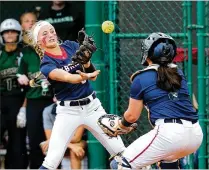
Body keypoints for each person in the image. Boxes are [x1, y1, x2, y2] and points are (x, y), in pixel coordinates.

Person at [24, 20, 126, 169]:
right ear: (39, 42)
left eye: (52, 31)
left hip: (93, 107)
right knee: (52, 161)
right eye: (44, 33)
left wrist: (86, 63)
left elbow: (93, 74)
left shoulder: (71, 46)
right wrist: (82, 76)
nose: (51, 34)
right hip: (68, 112)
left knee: (121, 152)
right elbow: (68, 77)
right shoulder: (46, 64)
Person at [109, 32, 203, 169]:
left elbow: (131, 116)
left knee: (119, 165)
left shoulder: (140, 78)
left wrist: (120, 125)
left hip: (170, 134)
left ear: (147, 54)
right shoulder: (179, 74)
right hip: (195, 134)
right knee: (167, 162)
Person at [17, 12, 54, 169]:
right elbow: (20, 73)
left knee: (53, 140)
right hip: (33, 101)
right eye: (27, 22)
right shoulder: (26, 54)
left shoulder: (52, 50)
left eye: (34, 22)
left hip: (51, 100)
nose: (31, 24)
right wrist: (20, 77)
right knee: (34, 139)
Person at [0, 18, 28, 169]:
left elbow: (31, 85)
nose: (10, 35)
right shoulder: (0, 55)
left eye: (13, 32)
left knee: (17, 143)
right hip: (2, 100)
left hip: (18, 101)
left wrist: (23, 109)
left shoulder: (24, 54)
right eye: (6, 32)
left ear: (18, 34)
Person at [40, 101, 87, 169]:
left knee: (75, 151)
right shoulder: (48, 110)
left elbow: (77, 138)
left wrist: (54, 139)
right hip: (66, 142)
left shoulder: (79, 109)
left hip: (82, 140)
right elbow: (49, 138)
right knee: (49, 149)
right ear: (54, 98)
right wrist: (71, 146)